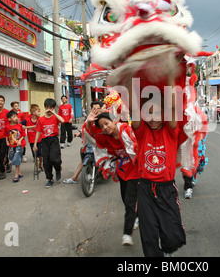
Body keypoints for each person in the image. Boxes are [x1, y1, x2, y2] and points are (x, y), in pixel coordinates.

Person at [127, 75, 187, 257]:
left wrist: (169, 71)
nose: (153, 118)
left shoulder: (171, 131)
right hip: (145, 190)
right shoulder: (142, 130)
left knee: (173, 236)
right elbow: (134, 109)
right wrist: (132, 77)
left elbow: (172, 103)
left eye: (158, 113)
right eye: (149, 113)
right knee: (148, 236)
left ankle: (168, 250)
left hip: (166, 190)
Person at [87, 110, 139, 246]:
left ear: (114, 121)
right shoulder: (106, 136)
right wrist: (88, 121)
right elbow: (91, 137)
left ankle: (127, 234)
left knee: (129, 201)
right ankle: (137, 216)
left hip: (135, 169)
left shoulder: (126, 130)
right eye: (102, 126)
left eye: (106, 123)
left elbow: (138, 145)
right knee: (125, 199)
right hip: (122, 170)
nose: (105, 127)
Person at [63, 101, 105, 184]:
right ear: (91, 109)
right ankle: (74, 177)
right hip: (90, 143)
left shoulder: (104, 118)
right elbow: (86, 128)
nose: (96, 110)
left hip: (102, 143)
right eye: (94, 108)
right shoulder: (89, 118)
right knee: (83, 159)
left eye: (98, 108)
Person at [33, 98, 65, 188]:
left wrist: (54, 113)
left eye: (51, 108)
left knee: (55, 158)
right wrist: (35, 144)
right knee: (46, 161)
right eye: (47, 107)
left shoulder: (55, 117)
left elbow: (62, 121)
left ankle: (58, 169)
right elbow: (38, 132)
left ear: (53, 108)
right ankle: (49, 179)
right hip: (45, 141)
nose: (49, 109)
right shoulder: (41, 120)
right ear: (45, 107)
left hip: (54, 139)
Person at [21, 104, 43, 172]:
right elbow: (20, 125)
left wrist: (28, 127)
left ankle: (41, 164)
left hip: (40, 139)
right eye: (38, 111)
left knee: (41, 154)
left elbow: (39, 126)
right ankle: (37, 167)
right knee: (35, 154)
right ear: (33, 113)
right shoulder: (27, 120)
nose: (39, 113)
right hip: (32, 140)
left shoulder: (40, 119)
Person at [6, 110, 26, 182]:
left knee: (16, 158)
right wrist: (7, 141)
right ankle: (19, 172)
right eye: (14, 117)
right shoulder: (7, 127)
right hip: (12, 145)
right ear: (9, 119)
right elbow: (6, 135)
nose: (16, 118)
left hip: (19, 145)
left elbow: (23, 135)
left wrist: (20, 141)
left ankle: (16, 174)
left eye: (16, 116)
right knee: (11, 157)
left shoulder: (19, 125)